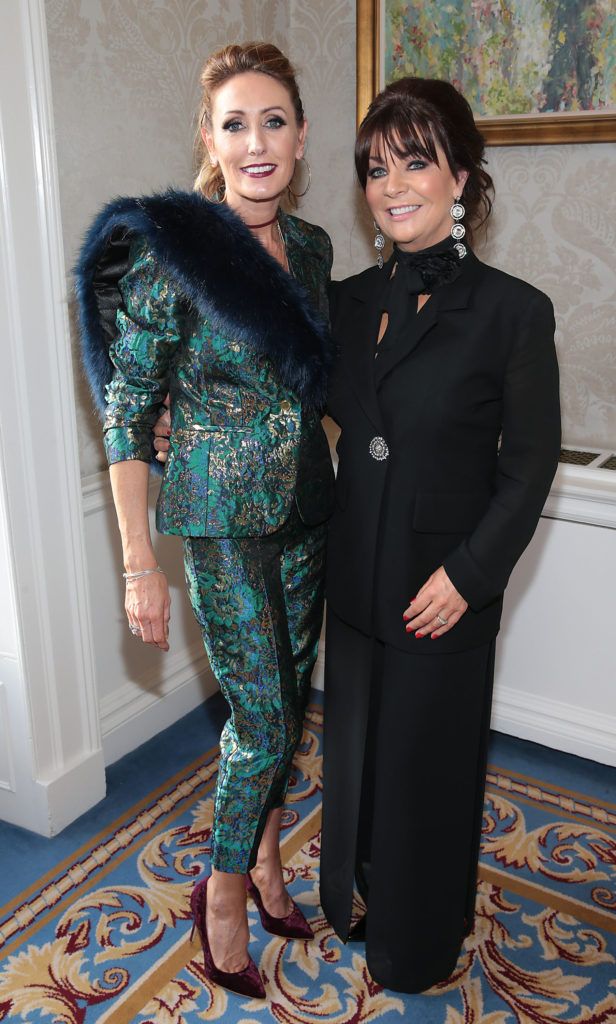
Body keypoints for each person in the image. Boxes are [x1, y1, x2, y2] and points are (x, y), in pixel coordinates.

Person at [75, 42, 335, 1001]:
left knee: (286, 705)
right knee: (262, 722)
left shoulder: (312, 249)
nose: (255, 142)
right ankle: (223, 892)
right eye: (235, 123)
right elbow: (128, 409)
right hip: (219, 519)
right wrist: (138, 563)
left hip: (309, 504)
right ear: (209, 138)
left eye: (274, 121)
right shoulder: (171, 251)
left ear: (301, 139)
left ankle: (268, 858)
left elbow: (310, 384)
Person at [319, 77, 561, 994]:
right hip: (355, 578)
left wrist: (467, 576)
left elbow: (529, 466)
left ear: (460, 175)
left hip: (441, 592)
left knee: (425, 767)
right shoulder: (344, 302)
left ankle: (418, 943)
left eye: (415, 161)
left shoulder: (512, 312)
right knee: (355, 757)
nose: (393, 184)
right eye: (376, 168)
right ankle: (353, 898)